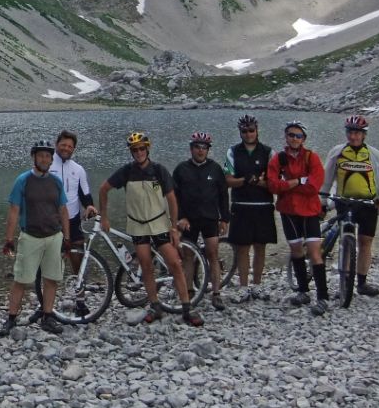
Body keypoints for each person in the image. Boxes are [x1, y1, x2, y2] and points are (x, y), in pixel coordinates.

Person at [99, 131, 203, 327]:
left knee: (174, 263)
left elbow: (172, 199)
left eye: (141, 149)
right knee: (146, 266)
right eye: (134, 150)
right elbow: (104, 189)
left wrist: (173, 227)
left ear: (147, 149)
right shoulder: (127, 172)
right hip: (138, 227)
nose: (138, 152)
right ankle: (155, 306)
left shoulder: (159, 170)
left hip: (159, 224)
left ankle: (187, 307)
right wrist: (104, 216)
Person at [0, 139, 71, 337]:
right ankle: (11, 318)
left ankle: (47, 316)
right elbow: (14, 210)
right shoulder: (23, 180)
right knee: (22, 279)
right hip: (30, 236)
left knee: (52, 279)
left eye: (48, 156)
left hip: (54, 236)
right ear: (34, 157)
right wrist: (9, 239)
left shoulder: (55, 181)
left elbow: (63, 210)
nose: (44, 159)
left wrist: (67, 238)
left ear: (51, 159)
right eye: (41, 155)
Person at [322, 115, 379, 296]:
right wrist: (323, 203)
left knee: (365, 242)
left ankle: (362, 283)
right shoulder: (337, 152)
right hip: (344, 202)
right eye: (350, 132)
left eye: (357, 133)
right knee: (345, 241)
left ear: (364, 135)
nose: (353, 136)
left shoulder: (375, 155)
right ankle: (345, 284)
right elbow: (326, 179)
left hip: (369, 204)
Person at [268, 121, 329, 316]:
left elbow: (314, 186)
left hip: (310, 211)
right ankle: (303, 291)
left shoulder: (312, 157)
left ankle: (323, 296)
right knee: (296, 250)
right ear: (285, 136)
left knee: (314, 252)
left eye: (298, 136)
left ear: (304, 138)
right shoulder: (279, 158)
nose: (294, 138)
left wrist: (289, 183)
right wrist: (298, 181)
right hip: (289, 211)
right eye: (291, 135)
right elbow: (272, 186)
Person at [173, 131, 230, 310]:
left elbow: (223, 196)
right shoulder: (181, 169)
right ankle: (189, 293)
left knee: (213, 254)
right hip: (188, 219)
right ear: (191, 149)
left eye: (204, 147)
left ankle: (216, 293)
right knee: (188, 256)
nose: (200, 150)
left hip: (210, 218)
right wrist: (179, 217)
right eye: (197, 147)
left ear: (208, 150)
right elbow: (174, 196)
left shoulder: (215, 169)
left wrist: (224, 218)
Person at [44, 129, 98, 318]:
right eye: (63, 145)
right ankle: (46, 306)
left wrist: (90, 206)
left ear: (74, 149)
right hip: (51, 221)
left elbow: (85, 194)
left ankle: (80, 301)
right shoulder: (47, 165)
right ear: (56, 144)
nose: (66, 148)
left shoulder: (78, 169)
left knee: (78, 262)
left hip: (73, 220)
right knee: (51, 263)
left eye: (70, 146)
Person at [223, 114, 276, 302]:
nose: (248, 134)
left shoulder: (269, 153)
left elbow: (274, 183)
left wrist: (260, 183)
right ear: (240, 132)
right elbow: (227, 180)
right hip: (241, 205)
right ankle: (243, 287)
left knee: (260, 246)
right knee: (242, 248)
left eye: (251, 130)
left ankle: (258, 285)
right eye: (244, 131)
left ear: (257, 130)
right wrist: (247, 180)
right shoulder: (232, 152)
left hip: (263, 205)